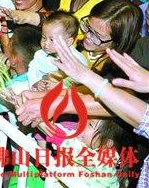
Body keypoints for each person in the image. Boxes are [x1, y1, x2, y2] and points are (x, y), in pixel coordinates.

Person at [52, 37, 149, 188]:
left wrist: (57, 136)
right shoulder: (81, 139)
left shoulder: (108, 160)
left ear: (107, 144)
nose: (81, 124)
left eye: (89, 124)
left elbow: (82, 155)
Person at [26, 11, 87, 88]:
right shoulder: (40, 54)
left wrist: (59, 87)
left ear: (68, 42)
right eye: (44, 38)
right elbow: (33, 69)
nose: (46, 43)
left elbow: (78, 81)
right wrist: (35, 83)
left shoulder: (77, 60)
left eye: (52, 40)